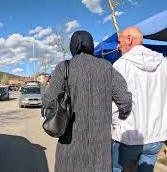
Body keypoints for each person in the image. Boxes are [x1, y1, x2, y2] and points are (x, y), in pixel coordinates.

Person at [43, 31, 132, 172]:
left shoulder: (64, 67)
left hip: (70, 145)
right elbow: (125, 100)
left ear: (73, 46)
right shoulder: (107, 67)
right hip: (100, 149)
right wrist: (122, 115)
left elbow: (48, 101)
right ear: (91, 46)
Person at [112, 27, 167, 172]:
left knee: (115, 169)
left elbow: (113, 104)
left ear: (129, 39)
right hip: (156, 137)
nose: (118, 46)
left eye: (119, 41)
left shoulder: (120, 65)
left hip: (128, 136)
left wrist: (117, 127)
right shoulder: (164, 64)